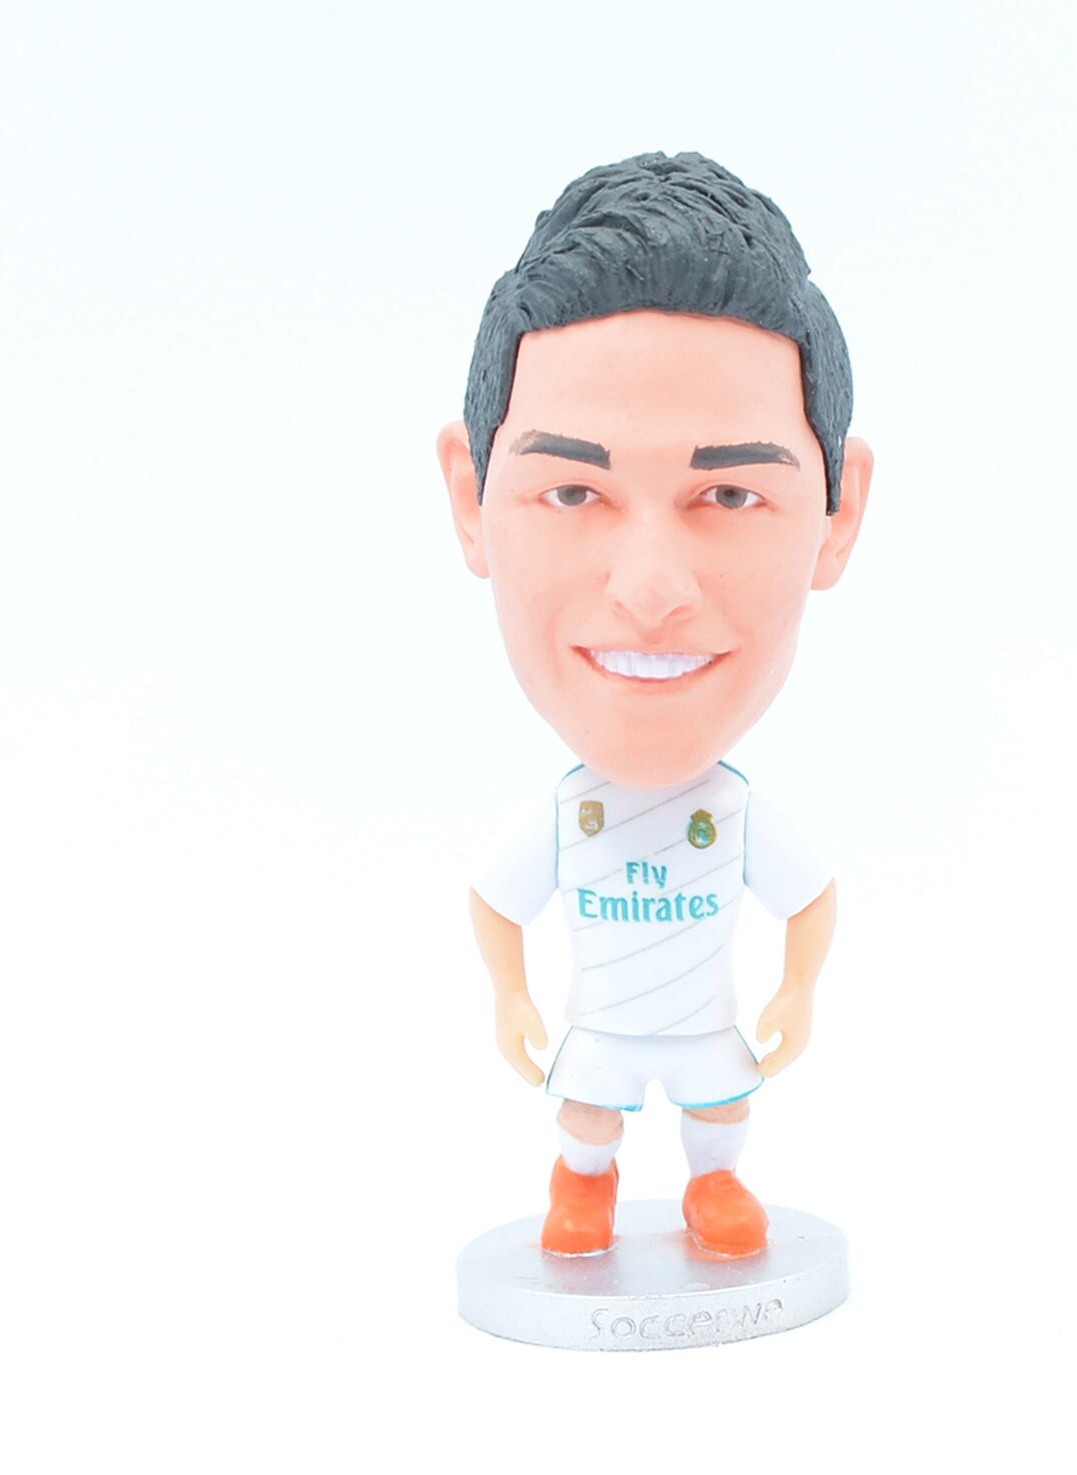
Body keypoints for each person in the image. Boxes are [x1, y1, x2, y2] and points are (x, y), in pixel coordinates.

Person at [437, 152, 872, 1257]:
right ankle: (580, 1189)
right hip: (598, 1032)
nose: (648, 589)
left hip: (705, 1029)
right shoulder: (563, 817)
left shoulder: (734, 814)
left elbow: (810, 898)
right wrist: (510, 999)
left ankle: (711, 1186)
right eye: (571, 490)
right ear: (470, 499)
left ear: (837, 512)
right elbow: (495, 904)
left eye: (727, 492)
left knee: (718, 1112)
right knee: (587, 1117)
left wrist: (798, 992)